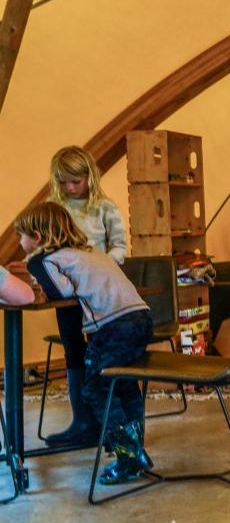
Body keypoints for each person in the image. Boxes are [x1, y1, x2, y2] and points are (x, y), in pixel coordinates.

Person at [14, 202, 153, 485]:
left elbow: (61, 290)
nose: (19, 242)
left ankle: (128, 456)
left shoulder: (44, 260)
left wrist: (32, 273)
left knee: (95, 388)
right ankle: (137, 448)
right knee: (122, 384)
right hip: (141, 319)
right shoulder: (90, 251)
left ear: (37, 237)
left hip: (112, 327)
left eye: (22, 235)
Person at [30, 145, 129, 448]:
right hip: (67, 296)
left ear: (90, 176)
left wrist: (99, 268)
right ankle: (82, 423)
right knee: (74, 351)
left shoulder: (104, 207)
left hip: (99, 294)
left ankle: (112, 424)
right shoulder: (53, 209)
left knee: (103, 352)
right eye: (64, 182)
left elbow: (121, 249)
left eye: (76, 181)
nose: (71, 188)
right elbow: (40, 249)